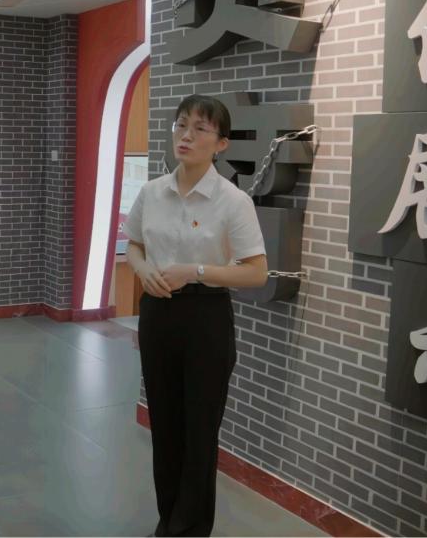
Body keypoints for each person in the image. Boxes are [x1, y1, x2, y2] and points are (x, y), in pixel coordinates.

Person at [124, 94, 268, 537]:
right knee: (165, 425)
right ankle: (168, 521)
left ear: (221, 143)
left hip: (206, 317)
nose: (186, 135)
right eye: (181, 125)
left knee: (199, 431)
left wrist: (196, 271)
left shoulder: (232, 201)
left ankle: (189, 529)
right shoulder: (152, 192)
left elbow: (256, 272)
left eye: (200, 129)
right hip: (157, 314)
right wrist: (142, 269)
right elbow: (134, 244)